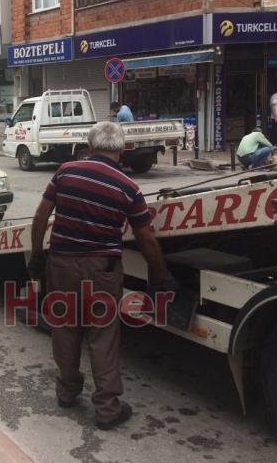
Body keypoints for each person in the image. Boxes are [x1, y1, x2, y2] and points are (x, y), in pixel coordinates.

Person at [29, 121, 176, 430]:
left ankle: (67, 392)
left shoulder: (66, 171)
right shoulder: (128, 188)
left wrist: (38, 256)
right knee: (102, 336)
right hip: (102, 270)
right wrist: (161, 275)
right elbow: (146, 239)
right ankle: (107, 410)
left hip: (62, 265)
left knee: (65, 328)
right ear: (122, 150)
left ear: (90, 146)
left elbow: (41, 215)